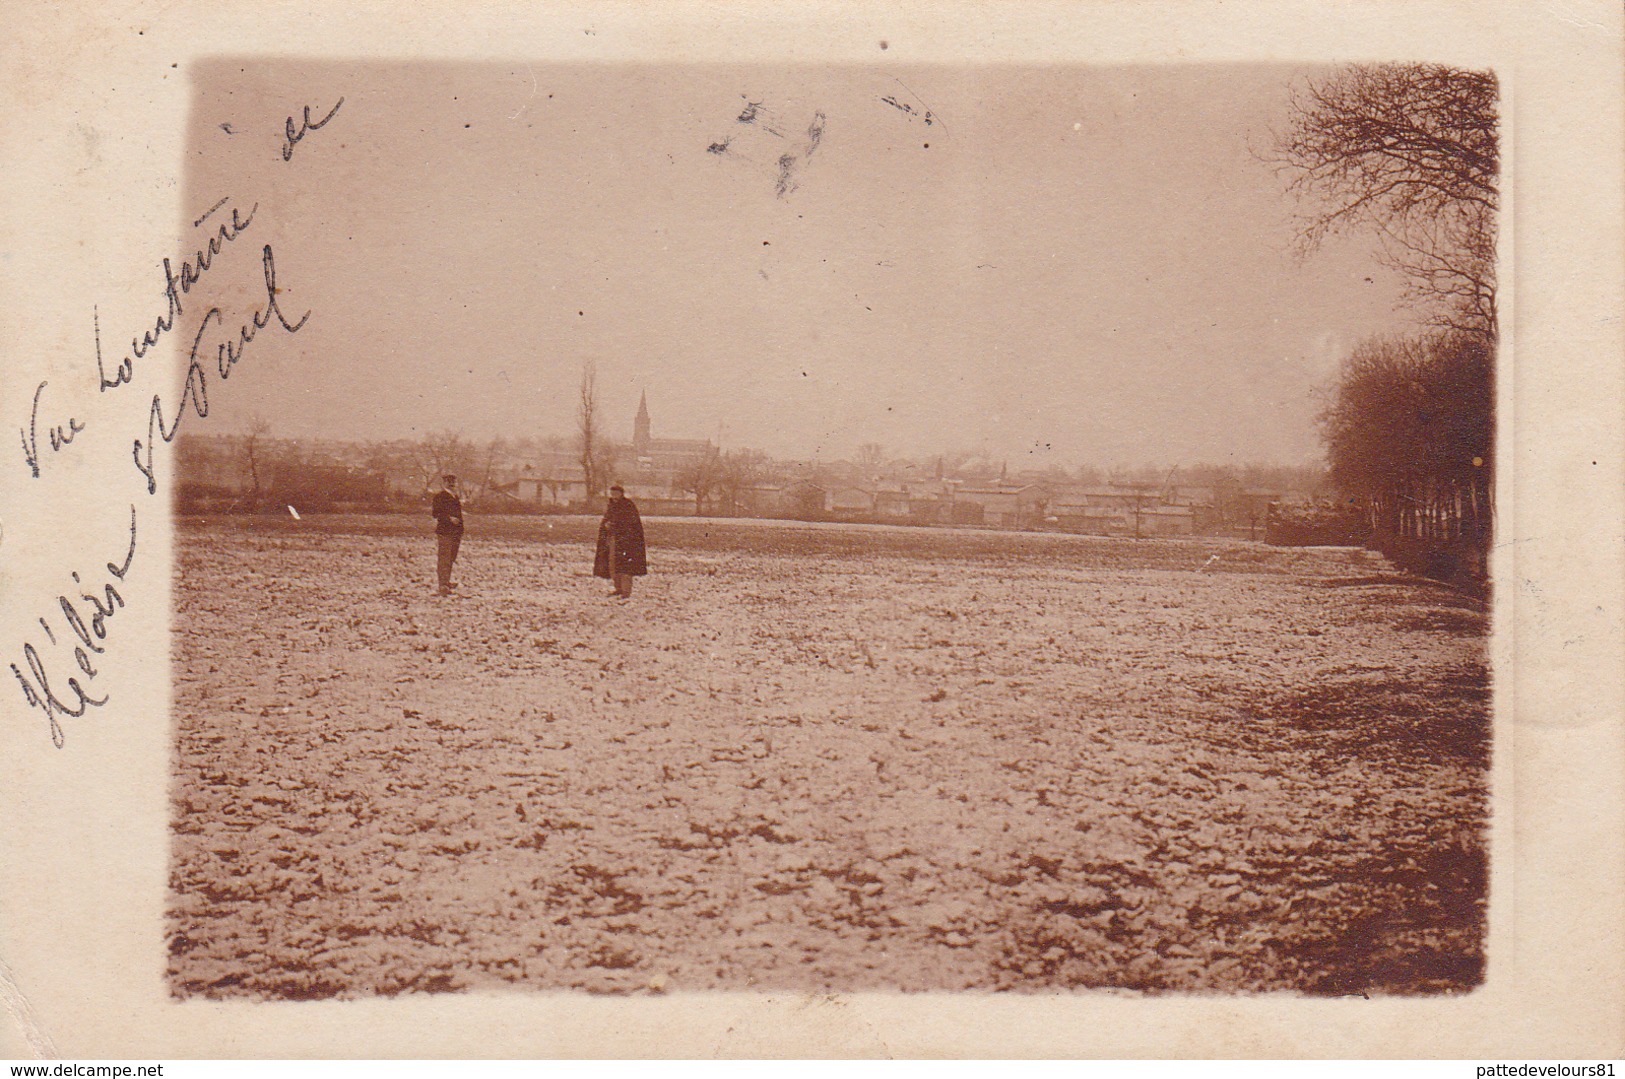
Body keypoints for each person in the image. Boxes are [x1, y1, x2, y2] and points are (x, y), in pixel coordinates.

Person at [593, 484, 647, 599]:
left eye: (616, 493)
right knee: (613, 565)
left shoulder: (628, 505)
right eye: (612, 493)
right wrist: (606, 525)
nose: (614, 496)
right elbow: (607, 519)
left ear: (621, 494)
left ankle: (626, 591)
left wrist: (616, 526)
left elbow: (631, 523)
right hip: (613, 540)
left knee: (625, 567)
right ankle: (618, 588)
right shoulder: (611, 505)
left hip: (627, 542)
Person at [431, 474, 464, 595]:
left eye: (453, 482)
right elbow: (435, 513)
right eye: (449, 482)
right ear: (444, 483)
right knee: (444, 558)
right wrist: (449, 518)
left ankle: (446, 581)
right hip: (445, 531)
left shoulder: (455, 497)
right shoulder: (439, 497)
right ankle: (442, 584)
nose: (452, 484)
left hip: (456, 532)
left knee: (451, 558)